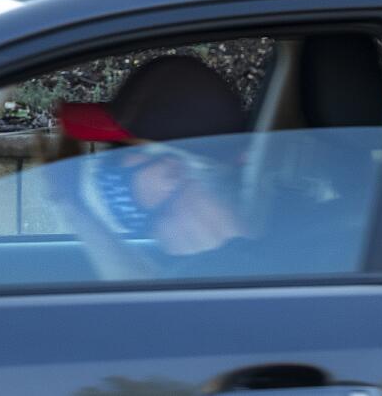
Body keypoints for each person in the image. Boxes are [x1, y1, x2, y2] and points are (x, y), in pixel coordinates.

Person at [44, 55, 258, 280]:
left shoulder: (224, 287)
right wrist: (72, 202)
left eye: (123, 151)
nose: (110, 161)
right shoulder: (226, 272)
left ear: (171, 172)